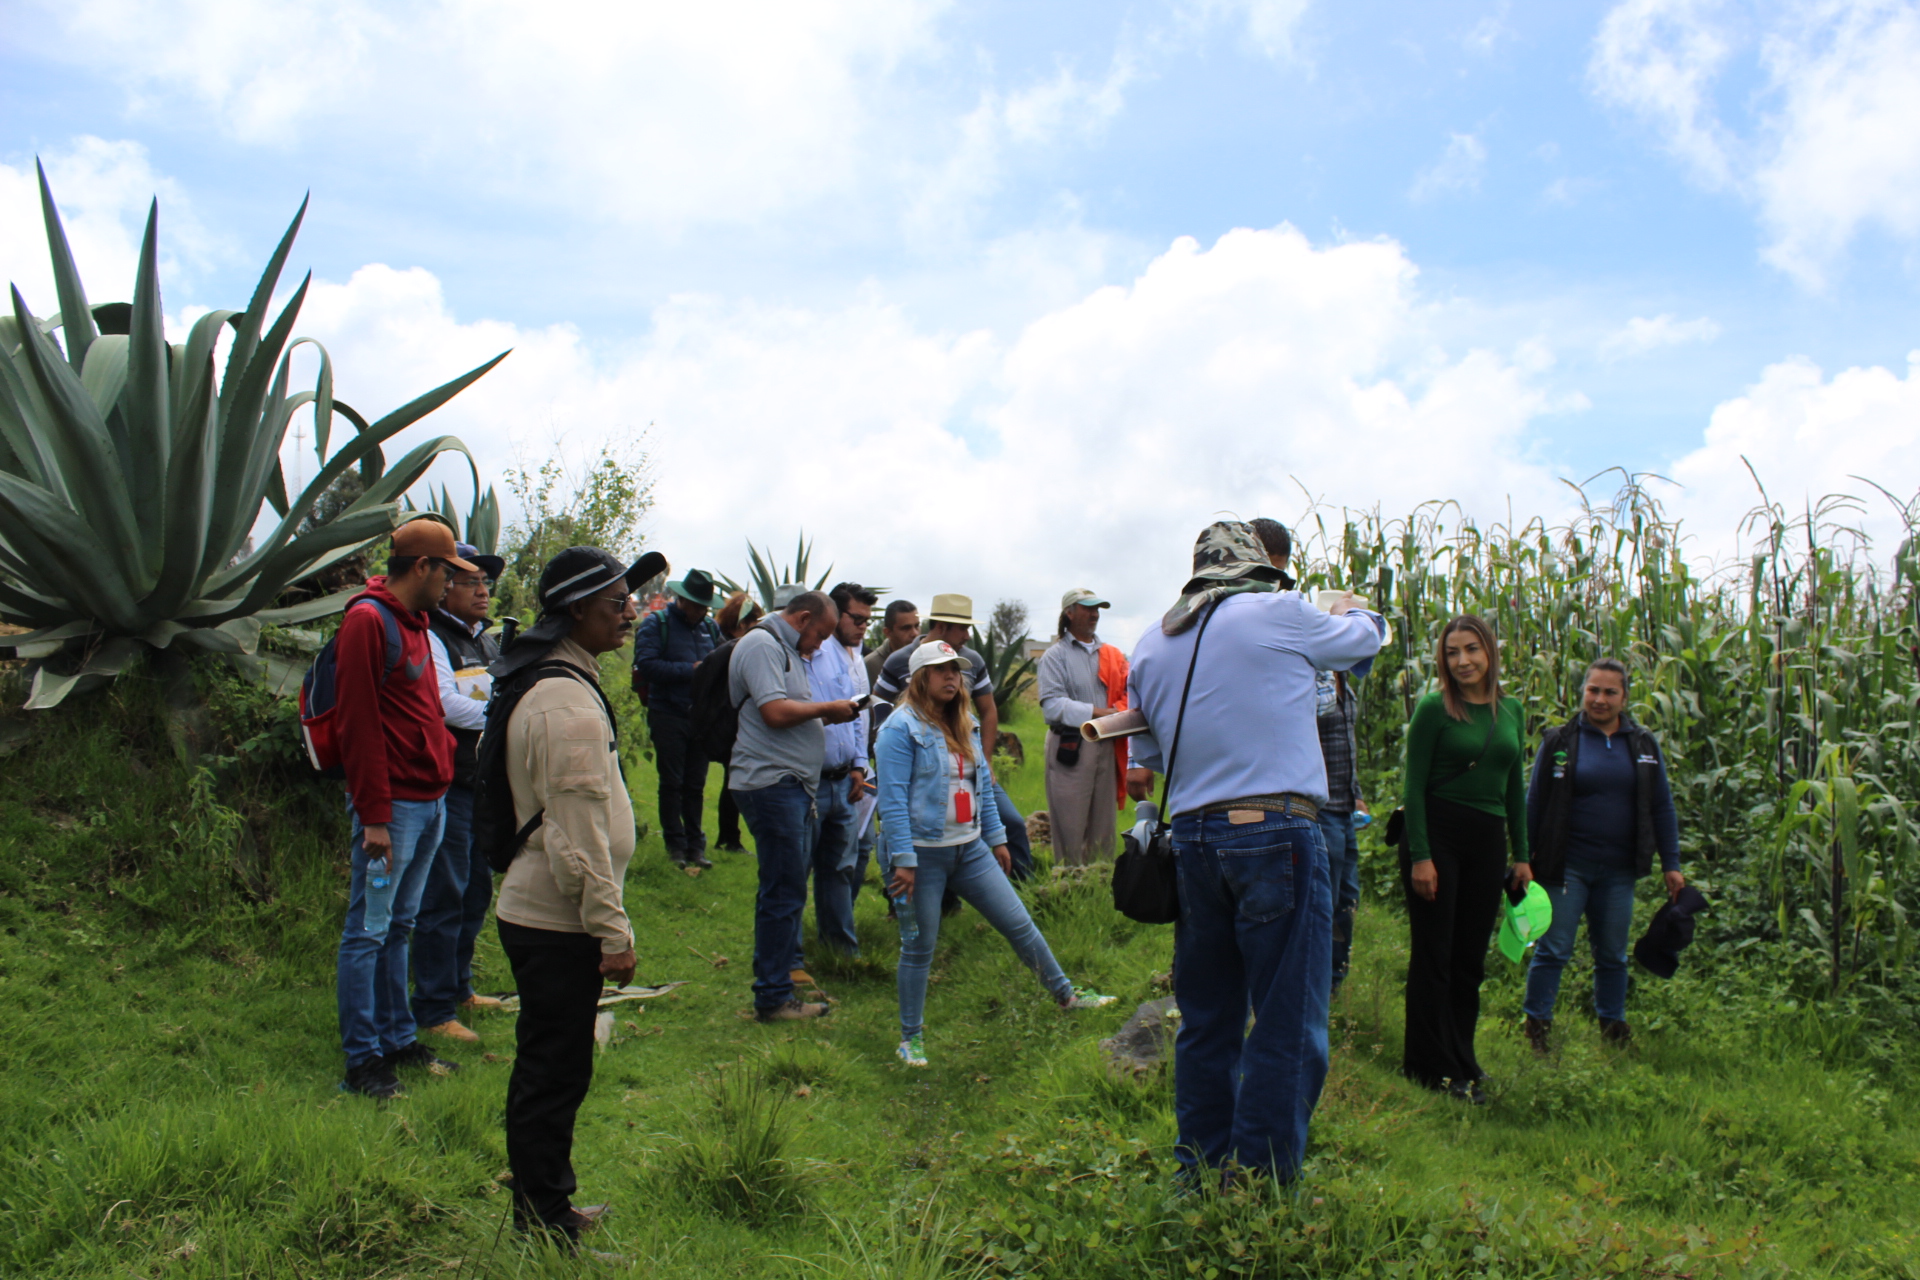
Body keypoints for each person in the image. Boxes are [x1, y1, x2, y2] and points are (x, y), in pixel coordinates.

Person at [1124, 520, 1383, 1184]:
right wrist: (1355, 608)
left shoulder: (1152, 645)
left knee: (1207, 1018)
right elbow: (1362, 643)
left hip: (1195, 842)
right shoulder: (1280, 612)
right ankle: (1262, 1184)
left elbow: (1151, 753)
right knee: (1287, 1020)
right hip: (1275, 834)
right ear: (1255, 572)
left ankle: (1199, 1170)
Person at [493, 545, 662, 1247]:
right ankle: (545, 1216)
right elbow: (578, 833)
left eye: (630, 599)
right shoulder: (565, 702)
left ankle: (544, 1203)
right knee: (554, 1070)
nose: (630, 612)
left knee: (554, 1063)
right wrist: (611, 930)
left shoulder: (564, 680)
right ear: (575, 612)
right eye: (616, 603)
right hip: (556, 919)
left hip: (551, 914)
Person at [877, 641, 1115, 1067]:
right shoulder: (899, 730)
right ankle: (909, 1038)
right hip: (922, 856)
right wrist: (904, 862)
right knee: (918, 947)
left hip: (969, 850)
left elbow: (981, 784)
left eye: (956, 669)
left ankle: (1066, 995)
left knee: (1019, 924)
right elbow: (891, 801)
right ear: (919, 678)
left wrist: (997, 837)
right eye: (941, 670)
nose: (952, 677)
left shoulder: (964, 722)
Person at [335, 518, 469, 1100]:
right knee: (368, 931)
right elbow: (357, 724)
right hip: (394, 810)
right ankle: (363, 1060)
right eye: (448, 573)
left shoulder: (416, 623)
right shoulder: (368, 622)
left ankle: (397, 1038)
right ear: (423, 568)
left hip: (431, 800)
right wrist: (374, 817)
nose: (453, 585)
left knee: (400, 927)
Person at [1399, 614, 1530, 1104]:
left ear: (1489, 652)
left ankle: (1463, 1060)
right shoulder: (1436, 709)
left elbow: (1515, 786)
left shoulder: (1510, 710)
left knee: (1469, 958)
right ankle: (1429, 1068)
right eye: (1452, 653)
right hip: (1438, 835)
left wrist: (1522, 854)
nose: (1463, 661)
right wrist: (1422, 857)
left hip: (1487, 838)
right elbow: (1412, 787)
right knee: (1435, 955)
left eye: (1471, 650)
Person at [1522, 659, 1684, 1049]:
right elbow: (1534, 801)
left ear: (1625, 697)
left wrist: (1672, 864)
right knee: (1554, 948)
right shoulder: (1560, 740)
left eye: (1610, 692)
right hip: (1566, 867)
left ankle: (1613, 1028)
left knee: (1612, 954)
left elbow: (1662, 805)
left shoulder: (1643, 744)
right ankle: (1537, 1028)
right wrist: (1523, 857)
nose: (1599, 699)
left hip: (1618, 870)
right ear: (1583, 693)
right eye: (1593, 690)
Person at [1250, 518, 1368, 999]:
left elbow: (1343, 730)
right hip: (1305, 808)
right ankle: (1308, 991)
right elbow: (1308, 716)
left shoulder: (1329, 665)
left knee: (1343, 900)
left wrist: (1357, 793)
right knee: (1314, 905)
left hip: (1341, 802)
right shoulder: (1287, 649)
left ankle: (1330, 987)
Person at [729, 591, 859, 1021]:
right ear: (802, 619)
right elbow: (775, 712)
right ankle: (773, 996)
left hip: (788, 784)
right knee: (783, 891)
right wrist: (829, 710)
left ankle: (778, 984)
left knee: (785, 888)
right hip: (771, 783)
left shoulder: (784, 649)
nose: (820, 645)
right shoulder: (763, 645)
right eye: (819, 635)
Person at [413, 542, 507, 1046]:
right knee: (443, 894)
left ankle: (460, 987)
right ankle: (432, 1008)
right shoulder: (432, 636)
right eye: (472, 582)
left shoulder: (489, 644)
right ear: (445, 585)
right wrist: (500, 713)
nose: (482, 591)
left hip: (482, 785)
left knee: (475, 890)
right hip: (448, 785)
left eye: (485, 583)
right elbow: (445, 704)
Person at [874, 594, 1033, 880]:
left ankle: (1023, 890)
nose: (968, 636)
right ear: (943, 626)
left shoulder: (971, 660)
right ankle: (913, 900)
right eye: (963, 628)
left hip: (967, 763)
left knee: (1011, 823)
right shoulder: (900, 661)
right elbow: (880, 712)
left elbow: (988, 711)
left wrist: (984, 760)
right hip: (922, 769)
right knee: (924, 831)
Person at [632, 568, 724, 871]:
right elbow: (646, 665)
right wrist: (691, 670)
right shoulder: (656, 624)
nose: (701, 610)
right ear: (682, 600)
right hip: (667, 713)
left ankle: (696, 846)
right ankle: (675, 846)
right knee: (671, 782)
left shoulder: (710, 629)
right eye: (696, 604)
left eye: (705, 605)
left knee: (695, 784)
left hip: (699, 716)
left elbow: (723, 660)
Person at [1036, 588, 1129, 866]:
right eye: (1088, 608)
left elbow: (1128, 693)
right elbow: (1052, 705)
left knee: (1103, 820)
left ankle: (1100, 883)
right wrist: (1099, 713)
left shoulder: (1112, 655)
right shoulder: (1055, 656)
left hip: (1106, 743)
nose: (1094, 614)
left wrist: (1116, 716)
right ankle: (1069, 882)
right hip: (1071, 745)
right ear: (1069, 612)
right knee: (1070, 820)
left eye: (1097, 608)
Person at [808, 582, 877, 956]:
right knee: (799, 868)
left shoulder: (855, 654)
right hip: (813, 778)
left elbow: (858, 716)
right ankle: (787, 954)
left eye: (868, 620)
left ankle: (839, 949)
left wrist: (859, 764)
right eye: (856, 618)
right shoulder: (819, 653)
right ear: (834, 615)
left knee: (841, 866)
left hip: (845, 775)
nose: (863, 626)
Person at [711, 592, 765, 853]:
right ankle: (729, 836)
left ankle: (728, 835)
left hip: (730, 721)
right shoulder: (733, 649)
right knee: (733, 779)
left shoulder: (726, 645)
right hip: (730, 722)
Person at [865, 598, 919, 686]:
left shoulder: (927, 659)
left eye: (917, 626)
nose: (915, 633)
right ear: (888, 632)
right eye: (906, 628)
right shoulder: (871, 665)